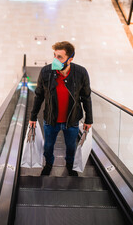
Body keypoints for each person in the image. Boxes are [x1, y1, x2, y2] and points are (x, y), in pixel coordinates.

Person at [29, 41, 93, 177]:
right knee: (48, 147)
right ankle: (49, 164)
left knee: (71, 147)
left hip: (72, 121)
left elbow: (86, 97)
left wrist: (89, 120)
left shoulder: (81, 73)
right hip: (51, 120)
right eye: (54, 55)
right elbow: (39, 95)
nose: (55, 60)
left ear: (70, 59)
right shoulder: (46, 72)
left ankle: (70, 165)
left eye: (60, 57)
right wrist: (32, 117)